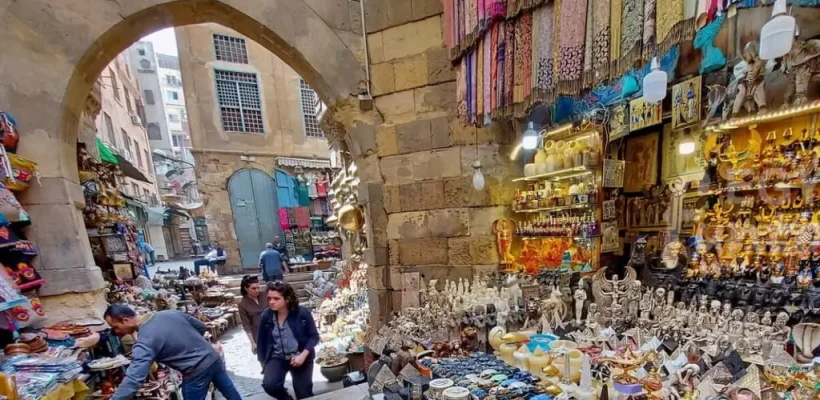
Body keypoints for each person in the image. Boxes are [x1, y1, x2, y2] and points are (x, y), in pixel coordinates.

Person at [104, 304, 242, 400]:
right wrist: (191, 344)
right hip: (212, 357)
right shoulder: (168, 313)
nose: (116, 332)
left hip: (196, 370)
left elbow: (134, 378)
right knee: (231, 393)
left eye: (116, 327)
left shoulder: (145, 341)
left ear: (126, 320)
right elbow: (200, 326)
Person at [257, 281, 319, 400]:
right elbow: (262, 342)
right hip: (278, 357)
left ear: (287, 299)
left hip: (300, 356)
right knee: (270, 385)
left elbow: (314, 336)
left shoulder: (302, 313)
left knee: (304, 394)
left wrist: (303, 355)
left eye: (276, 298)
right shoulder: (267, 316)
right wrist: (264, 364)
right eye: (269, 298)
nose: (271, 302)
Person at [238, 275, 266, 354]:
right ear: (246, 288)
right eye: (253, 288)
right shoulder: (243, 305)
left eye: (258, 288)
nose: (257, 290)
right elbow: (246, 325)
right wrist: (252, 343)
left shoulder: (265, 296)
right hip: (258, 335)